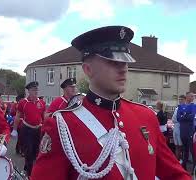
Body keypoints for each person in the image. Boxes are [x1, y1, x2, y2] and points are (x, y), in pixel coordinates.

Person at [31, 26, 190, 179]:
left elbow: (175, 174)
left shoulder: (146, 116)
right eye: (113, 62)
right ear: (88, 70)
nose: (123, 69)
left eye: (125, 62)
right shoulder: (62, 126)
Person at [11, 81, 46, 177]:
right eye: (34, 90)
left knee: (36, 152)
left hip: (37, 130)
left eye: (37, 89)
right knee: (29, 151)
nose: (36, 91)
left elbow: (44, 117)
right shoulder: (23, 102)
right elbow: (18, 116)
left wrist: (46, 129)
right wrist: (14, 130)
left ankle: (28, 167)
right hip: (27, 130)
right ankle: (30, 174)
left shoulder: (41, 102)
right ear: (29, 91)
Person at [178, 92, 196, 170]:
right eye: (191, 96)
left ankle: (194, 168)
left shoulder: (194, 106)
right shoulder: (180, 106)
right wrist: (186, 115)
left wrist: (184, 115)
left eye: (193, 96)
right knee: (185, 149)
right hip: (183, 131)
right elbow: (179, 118)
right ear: (187, 97)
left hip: (190, 131)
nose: (193, 97)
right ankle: (184, 166)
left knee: (192, 150)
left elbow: (191, 117)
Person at [172, 95, 186, 162]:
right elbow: (173, 119)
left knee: (181, 146)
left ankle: (181, 160)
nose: (180, 100)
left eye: (181, 99)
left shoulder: (185, 108)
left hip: (181, 127)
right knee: (176, 145)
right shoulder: (177, 108)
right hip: (176, 128)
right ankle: (177, 160)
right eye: (179, 99)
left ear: (184, 100)